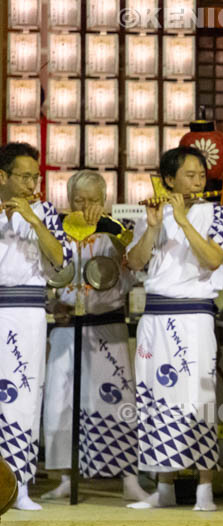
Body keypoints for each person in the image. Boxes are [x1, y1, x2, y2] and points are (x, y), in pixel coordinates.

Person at [125, 146, 223, 511]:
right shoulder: (150, 215)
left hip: (194, 315)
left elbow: (213, 259)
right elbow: (135, 263)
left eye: (201, 175)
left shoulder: (219, 214)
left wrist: (184, 220)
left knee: (198, 397)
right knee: (156, 397)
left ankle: (205, 486)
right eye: (188, 175)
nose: (197, 181)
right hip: (156, 315)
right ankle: (164, 488)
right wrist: (155, 227)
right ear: (168, 179)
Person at [42, 171, 149, 501]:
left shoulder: (116, 232)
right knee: (59, 402)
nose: (85, 206)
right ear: (68, 200)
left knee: (117, 398)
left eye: (92, 200)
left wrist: (115, 235)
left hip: (106, 325)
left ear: (104, 202)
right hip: (66, 328)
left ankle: (129, 477)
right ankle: (63, 476)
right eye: (78, 200)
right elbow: (43, 274)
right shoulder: (56, 233)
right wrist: (51, 303)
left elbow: (136, 268)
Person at [0, 142, 72, 510]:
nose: (31, 183)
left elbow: (61, 259)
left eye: (34, 176)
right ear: (3, 176)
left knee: (24, 398)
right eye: (24, 176)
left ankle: (20, 487)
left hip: (27, 310)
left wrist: (32, 219)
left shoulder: (45, 212)